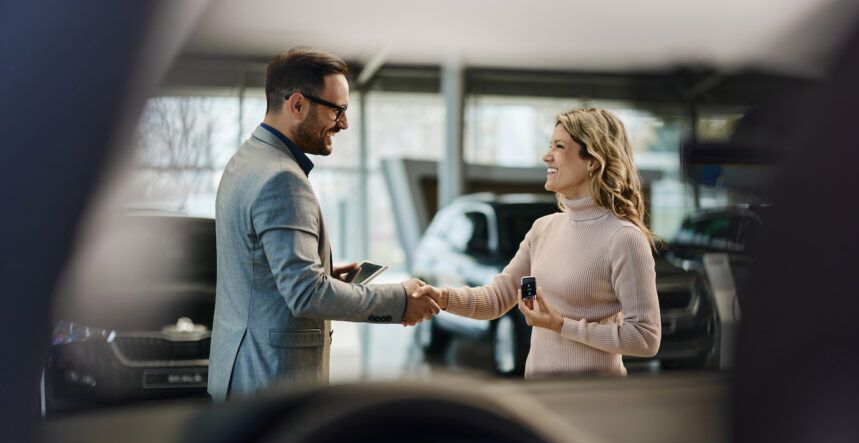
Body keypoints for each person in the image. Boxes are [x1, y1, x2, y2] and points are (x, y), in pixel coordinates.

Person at [208, 48, 439, 401]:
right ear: (297, 104)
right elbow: (305, 294)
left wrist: (323, 273)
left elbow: (260, 273)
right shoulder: (281, 179)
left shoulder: (245, 161)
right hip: (272, 381)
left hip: (241, 371)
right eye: (338, 110)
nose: (344, 123)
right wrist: (400, 301)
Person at [415, 108, 661, 377]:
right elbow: (497, 298)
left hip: (594, 402)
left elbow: (645, 338)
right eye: (549, 145)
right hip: (541, 394)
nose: (547, 156)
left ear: (592, 160)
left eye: (559, 146)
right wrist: (442, 297)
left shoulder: (624, 238)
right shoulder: (544, 228)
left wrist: (562, 325)